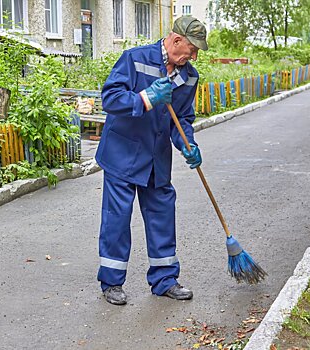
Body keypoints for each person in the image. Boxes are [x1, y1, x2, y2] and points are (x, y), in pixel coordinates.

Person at [95, 16, 208, 305]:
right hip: (123, 154)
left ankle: (164, 279)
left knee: (162, 215)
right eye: (192, 49)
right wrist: (145, 98)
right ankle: (111, 282)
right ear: (176, 39)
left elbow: (181, 118)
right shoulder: (134, 59)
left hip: (156, 159)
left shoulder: (190, 76)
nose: (193, 56)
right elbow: (110, 99)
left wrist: (188, 143)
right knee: (117, 219)